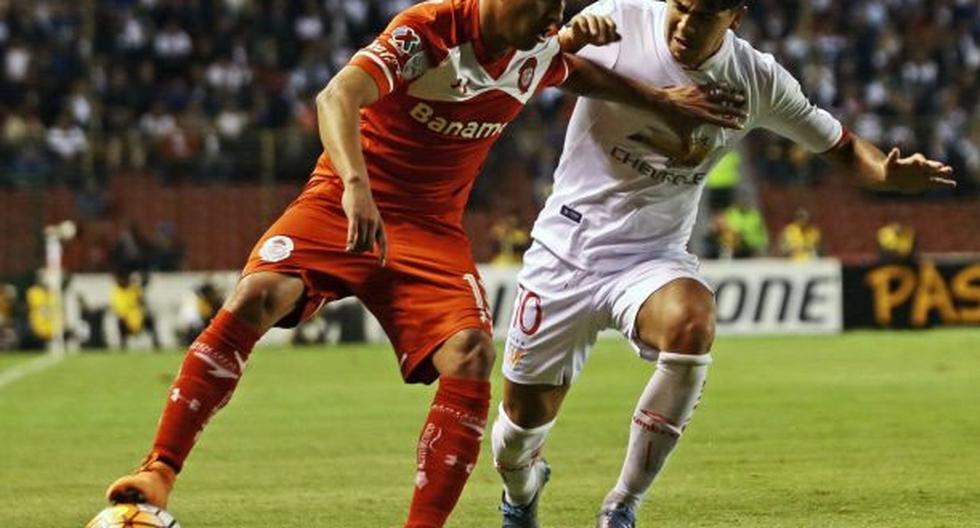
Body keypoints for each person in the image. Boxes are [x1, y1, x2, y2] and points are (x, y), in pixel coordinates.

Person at [103, 1, 747, 526]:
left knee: (470, 353)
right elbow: (337, 97)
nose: (555, 19)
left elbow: (580, 73)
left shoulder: (537, 45)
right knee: (255, 297)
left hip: (432, 230)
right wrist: (356, 185)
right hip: (342, 199)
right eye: (545, 5)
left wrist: (665, 102)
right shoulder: (429, 30)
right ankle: (159, 468)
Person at [491, 1, 956, 527]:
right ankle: (521, 490)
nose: (684, 26)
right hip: (563, 251)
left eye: (704, 16)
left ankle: (622, 506)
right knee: (517, 435)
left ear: (735, 17)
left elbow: (845, 149)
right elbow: (520, 68)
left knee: (693, 323)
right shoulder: (617, 17)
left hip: (651, 257)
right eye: (680, 8)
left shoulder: (756, 80)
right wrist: (566, 43)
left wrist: (889, 175)